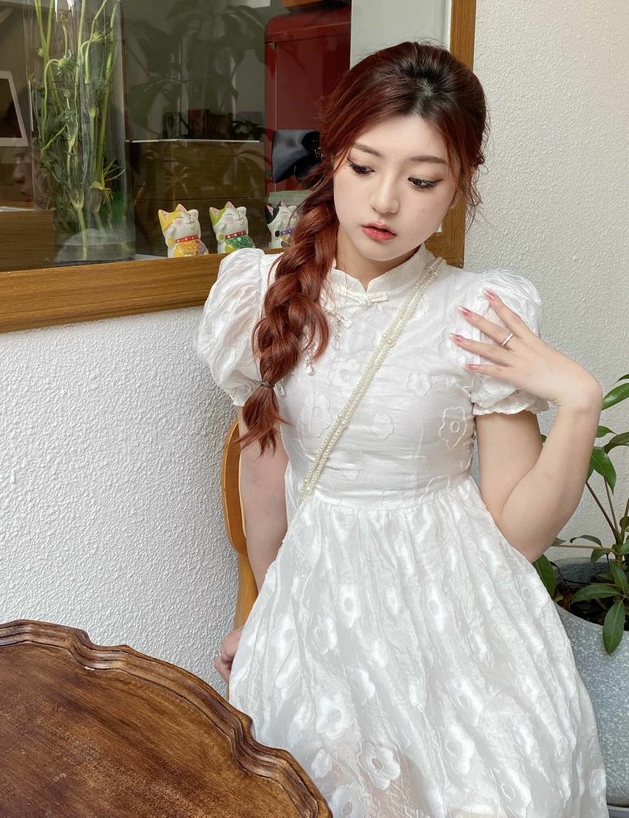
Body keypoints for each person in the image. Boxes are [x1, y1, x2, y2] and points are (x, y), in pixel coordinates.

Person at [196, 42, 608, 818]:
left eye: (422, 180)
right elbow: (266, 478)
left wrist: (579, 403)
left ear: (460, 186)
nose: (384, 202)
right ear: (333, 157)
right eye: (364, 166)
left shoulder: (480, 312)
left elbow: (517, 536)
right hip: (319, 608)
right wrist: (254, 615)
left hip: (457, 613)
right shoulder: (263, 293)